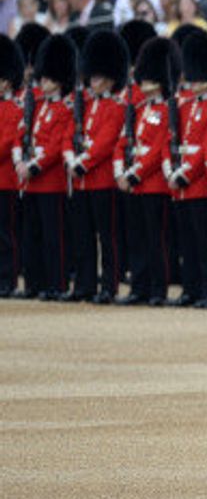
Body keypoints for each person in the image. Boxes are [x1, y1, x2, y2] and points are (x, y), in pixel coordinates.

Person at [63, 30, 128, 304]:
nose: (94, 81)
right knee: (82, 235)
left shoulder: (115, 107)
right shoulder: (85, 104)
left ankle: (109, 286)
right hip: (80, 180)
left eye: (99, 77)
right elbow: (69, 133)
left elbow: (106, 141)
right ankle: (85, 284)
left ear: (111, 79)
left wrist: (82, 161)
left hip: (101, 180)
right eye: (92, 76)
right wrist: (69, 157)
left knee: (107, 237)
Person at [115, 37, 177, 306]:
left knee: (156, 240)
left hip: (152, 184)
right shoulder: (139, 109)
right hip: (133, 182)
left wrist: (134, 173)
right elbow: (124, 141)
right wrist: (121, 170)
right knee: (136, 238)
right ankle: (139, 287)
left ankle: (157, 288)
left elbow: (158, 148)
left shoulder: (166, 111)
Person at [14, 34, 74, 300]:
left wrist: (33, 167)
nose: (43, 82)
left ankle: (56, 283)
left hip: (49, 181)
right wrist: (19, 160)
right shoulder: (37, 106)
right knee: (31, 235)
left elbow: (55, 146)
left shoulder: (63, 109)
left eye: (48, 78)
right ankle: (35, 283)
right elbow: (22, 133)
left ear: (59, 80)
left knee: (54, 238)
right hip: (30, 179)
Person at [168, 32, 207, 308]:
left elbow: (206, 146)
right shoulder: (185, 105)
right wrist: (172, 168)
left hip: (200, 182)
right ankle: (190, 288)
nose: (195, 82)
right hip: (181, 183)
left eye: (200, 77)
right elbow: (175, 138)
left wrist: (186, 173)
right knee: (186, 241)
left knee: (205, 242)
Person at [0, 34, 19, 297]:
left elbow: (7, 142)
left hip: (5, 178)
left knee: (5, 234)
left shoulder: (13, 109)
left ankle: (8, 279)